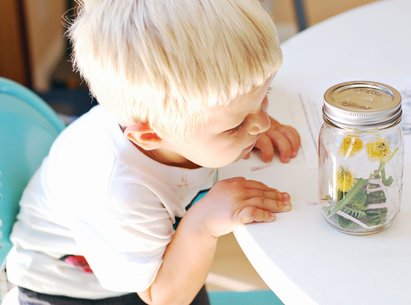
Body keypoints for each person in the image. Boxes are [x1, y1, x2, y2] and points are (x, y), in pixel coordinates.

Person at [7, 0, 301, 304]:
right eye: (235, 125)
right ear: (151, 135)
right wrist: (201, 225)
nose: (263, 122)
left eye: (265, 96)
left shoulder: (173, 122)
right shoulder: (122, 191)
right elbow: (161, 297)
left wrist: (245, 119)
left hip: (142, 242)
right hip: (74, 290)